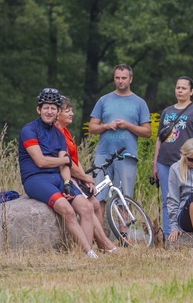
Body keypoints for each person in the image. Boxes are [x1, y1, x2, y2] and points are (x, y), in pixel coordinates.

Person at [19, 88, 99, 258]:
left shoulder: (59, 134)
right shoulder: (29, 130)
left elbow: (65, 165)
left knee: (87, 207)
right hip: (35, 179)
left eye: (53, 108)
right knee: (68, 211)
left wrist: (69, 183)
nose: (49, 111)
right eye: (46, 107)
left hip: (58, 177)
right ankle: (90, 253)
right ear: (38, 109)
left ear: (57, 111)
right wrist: (64, 161)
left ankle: (85, 252)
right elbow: (40, 161)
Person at [88, 64, 152, 230]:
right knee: (99, 196)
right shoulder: (104, 100)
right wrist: (106, 126)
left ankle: (124, 235)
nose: (120, 81)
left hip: (127, 154)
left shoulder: (139, 103)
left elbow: (147, 132)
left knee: (124, 196)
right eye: (117, 78)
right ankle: (98, 235)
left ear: (130, 79)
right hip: (103, 153)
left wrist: (128, 125)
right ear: (114, 78)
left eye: (124, 78)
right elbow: (92, 127)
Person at [56, 96, 118, 252]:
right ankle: (98, 245)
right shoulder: (57, 133)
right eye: (67, 110)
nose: (72, 114)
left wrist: (86, 179)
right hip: (64, 176)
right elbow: (66, 163)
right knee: (88, 206)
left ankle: (101, 244)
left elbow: (75, 160)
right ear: (58, 114)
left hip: (76, 175)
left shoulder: (66, 131)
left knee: (96, 203)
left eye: (72, 110)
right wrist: (84, 177)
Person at [152, 76, 193, 237]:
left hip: (186, 162)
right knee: (167, 199)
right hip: (164, 161)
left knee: (186, 197)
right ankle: (169, 233)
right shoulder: (167, 111)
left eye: (184, 88)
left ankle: (185, 232)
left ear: (191, 91)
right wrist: (155, 163)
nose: (180, 91)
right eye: (178, 87)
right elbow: (159, 139)